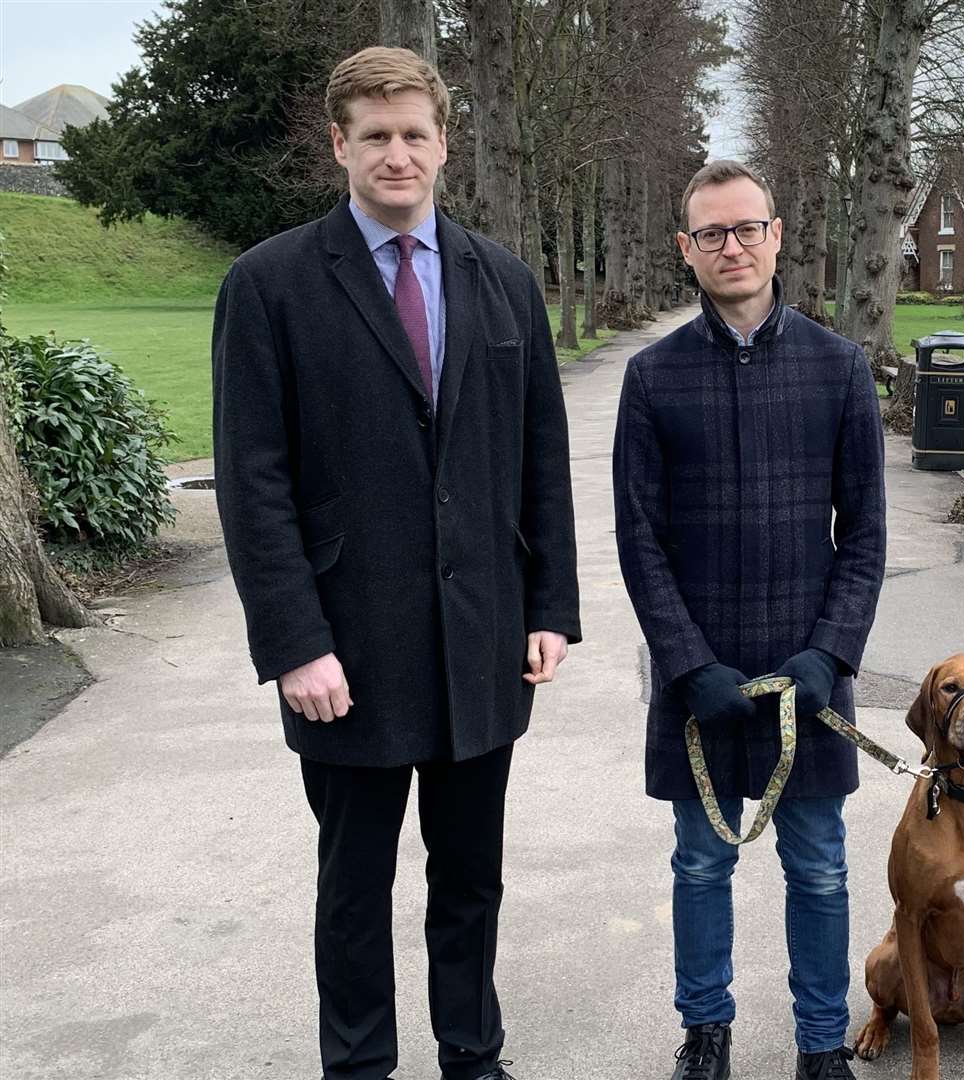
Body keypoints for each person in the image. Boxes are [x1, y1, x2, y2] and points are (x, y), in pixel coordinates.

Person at [212, 46, 580, 1080]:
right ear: (339, 144)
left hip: (483, 642)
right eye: (374, 135)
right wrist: (295, 644)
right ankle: (360, 1066)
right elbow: (253, 484)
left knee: (472, 877)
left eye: (414, 133)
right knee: (354, 884)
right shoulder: (270, 285)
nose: (396, 153)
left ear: (444, 145)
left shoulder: (502, 282)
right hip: (347, 652)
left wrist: (549, 605)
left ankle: (472, 1052)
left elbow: (538, 460)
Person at [612, 160, 886, 1080]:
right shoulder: (652, 378)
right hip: (701, 680)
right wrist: (686, 665)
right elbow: (638, 539)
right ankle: (706, 1032)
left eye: (746, 229)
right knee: (699, 865)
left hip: (805, 674)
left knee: (819, 868)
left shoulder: (839, 368)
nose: (731, 248)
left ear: (776, 238)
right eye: (710, 235)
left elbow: (866, 534)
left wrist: (831, 652)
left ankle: (819, 1045)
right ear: (685, 250)